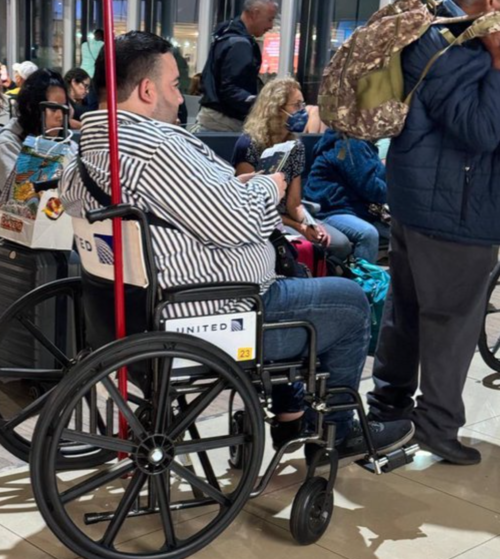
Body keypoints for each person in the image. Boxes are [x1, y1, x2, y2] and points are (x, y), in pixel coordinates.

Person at [60, 30, 413, 463]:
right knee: (349, 301)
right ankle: (338, 431)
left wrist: (235, 186)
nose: (180, 97)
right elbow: (238, 221)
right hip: (206, 315)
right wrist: (271, 183)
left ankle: (290, 414)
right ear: (147, 90)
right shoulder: (155, 148)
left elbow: (188, 207)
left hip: (128, 312)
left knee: (296, 275)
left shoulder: (88, 149)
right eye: (174, 86)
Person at [367, 0, 500, 465]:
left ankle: (388, 410)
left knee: (405, 313)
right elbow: (480, 130)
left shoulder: (442, 34)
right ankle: (436, 428)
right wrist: (499, 60)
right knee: (452, 322)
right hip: (453, 210)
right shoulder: (446, 42)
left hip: (425, 202)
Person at [233, 77, 352, 261]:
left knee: (339, 243)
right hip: (260, 218)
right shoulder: (249, 144)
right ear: (276, 109)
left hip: (287, 216)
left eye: (302, 104)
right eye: (296, 105)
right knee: (303, 245)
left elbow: (294, 203)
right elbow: (248, 204)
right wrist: (300, 227)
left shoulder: (295, 146)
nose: (303, 111)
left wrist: (309, 223)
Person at [304, 130, 390, 263]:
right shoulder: (350, 144)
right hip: (330, 210)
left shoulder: (364, 144)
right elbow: (371, 188)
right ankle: (364, 281)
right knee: (367, 233)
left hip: (356, 208)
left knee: (403, 231)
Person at [193, 0, 278, 132]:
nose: (271, 26)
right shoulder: (239, 44)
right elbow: (230, 89)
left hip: (215, 119)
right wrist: (260, 103)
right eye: (269, 19)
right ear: (255, 14)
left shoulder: (226, 34)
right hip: (223, 123)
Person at [0, 69, 68, 192]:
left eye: (63, 109)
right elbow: (22, 198)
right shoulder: (7, 144)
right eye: (53, 109)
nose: (60, 116)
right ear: (31, 107)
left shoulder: (62, 140)